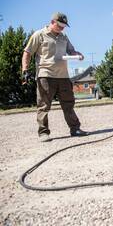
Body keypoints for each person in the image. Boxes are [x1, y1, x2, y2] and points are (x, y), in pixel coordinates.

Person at [21, 12, 89, 142]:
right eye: (60, 26)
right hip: (46, 75)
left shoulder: (64, 37)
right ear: (52, 22)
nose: (62, 29)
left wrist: (77, 54)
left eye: (64, 26)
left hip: (63, 76)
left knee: (69, 104)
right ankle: (43, 133)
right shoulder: (39, 35)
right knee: (43, 105)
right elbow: (27, 52)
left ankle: (75, 129)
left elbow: (71, 51)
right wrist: (25, 69)